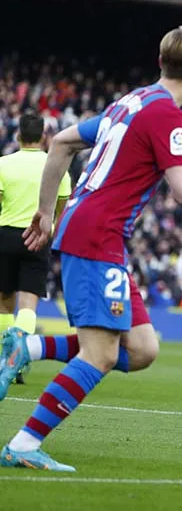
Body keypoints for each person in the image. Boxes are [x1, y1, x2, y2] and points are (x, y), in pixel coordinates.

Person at [0, 25, 182, 472]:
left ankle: (26, 349)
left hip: (98, 232)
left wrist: (48, 211)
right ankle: (24, 443)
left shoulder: (131, 101)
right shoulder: (167, 115)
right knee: (101, 354)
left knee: (142, 348)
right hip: (98, 234)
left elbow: (64, 142)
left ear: (161, 61)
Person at [0, 113, 72, 390]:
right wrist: (49, 231)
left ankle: (4, 357)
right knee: (28, 302)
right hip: (39, 237)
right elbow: (62, 207)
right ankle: (18, 360)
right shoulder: (56, 166)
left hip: (6, 235)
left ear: (18, 135)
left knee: (4, 302)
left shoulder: (4, 164)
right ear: (44, 137)